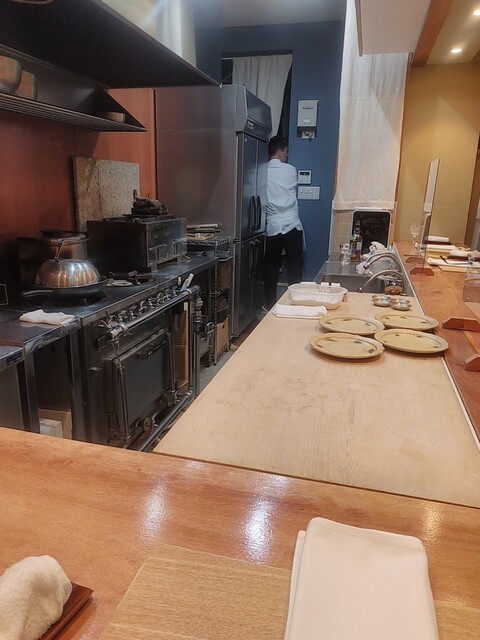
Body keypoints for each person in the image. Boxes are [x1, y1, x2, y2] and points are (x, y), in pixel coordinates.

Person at [264, 135, 304, 309]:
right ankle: (295, 302)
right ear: (280, 152)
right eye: (286, 152)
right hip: (292, 224)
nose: (287, 155)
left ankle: (270, 305)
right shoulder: (291, 170)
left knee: (271, 266)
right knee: (295, 266)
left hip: (273, 225)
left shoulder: (262, 170)